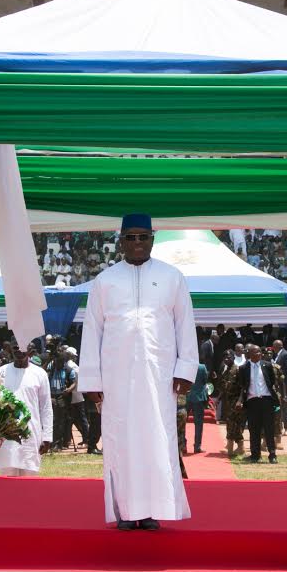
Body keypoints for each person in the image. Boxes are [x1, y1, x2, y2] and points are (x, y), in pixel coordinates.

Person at [79, 213, 198, 530]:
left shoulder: (172, 277)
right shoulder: (105, 281)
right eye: (130, 237)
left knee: (157, 440)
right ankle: (125, 511)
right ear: (121, 241)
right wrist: (90, 378)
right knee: (120, 442)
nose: (136, 243)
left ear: (152, 239)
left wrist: (186, 368)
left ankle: (153, 510)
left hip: (159, 378)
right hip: (116, 378)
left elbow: (185, 325)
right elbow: (92, 331)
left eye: (142, 237)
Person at [0, 340, 53, 476]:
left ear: (31, 351)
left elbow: (46, 407)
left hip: (31, 433)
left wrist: (47, 436)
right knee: (8, 480)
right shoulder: (1, 372)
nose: (19, 351)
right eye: (15, 347)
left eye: (23, 348)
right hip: (6, 434)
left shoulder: (40, 373)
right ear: (10, 349)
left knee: (29, 481)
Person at [234, 345, 283, 464]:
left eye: (260, 352)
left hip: (266, 400)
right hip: (252, 402)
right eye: (256, 352)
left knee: (269, 428)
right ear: (250, 354)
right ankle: (255, 455)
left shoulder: (267, 365)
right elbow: (242, 386)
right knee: (253, 429)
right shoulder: (243, 368)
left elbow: (272, 381)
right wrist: (240, 400)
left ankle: (272, 454)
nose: (259, 354)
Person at [184, 362, 209, 454]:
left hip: (186, 396)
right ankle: (197, 447)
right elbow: (205, 380)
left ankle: (183, 446)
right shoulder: (202, 367)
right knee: (198, 424)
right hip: (198, 398)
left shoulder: (184, 364)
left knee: (181, 423)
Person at [273, 339, 287, 436]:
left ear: (278, 346)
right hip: (277, 385)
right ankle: (279, 427)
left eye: (274, 347)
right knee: (278, 406)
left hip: (284, 385)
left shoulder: (286, 354)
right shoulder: (277, 355)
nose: (273, 349)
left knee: (285, 406)